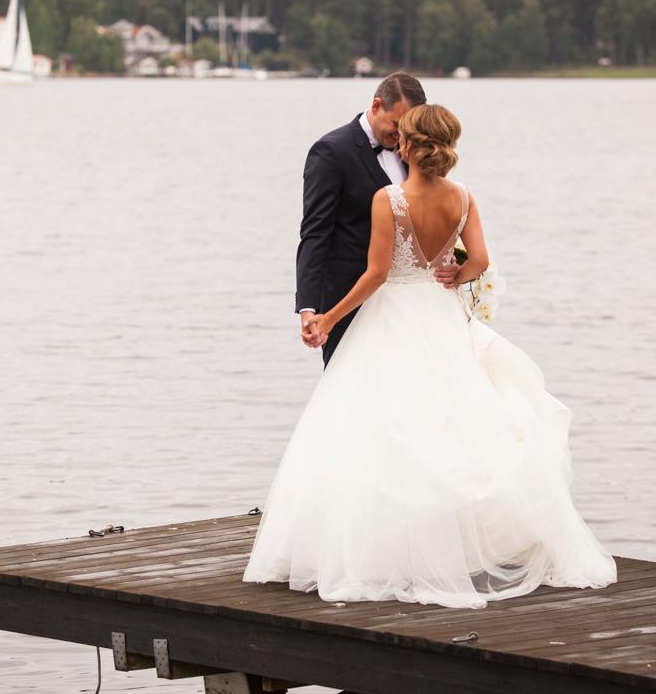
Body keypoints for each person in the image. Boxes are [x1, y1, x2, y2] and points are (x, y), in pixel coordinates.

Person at [243, 104, 617, 608]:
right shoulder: (463, 198)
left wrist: (329, 317)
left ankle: (383, 551)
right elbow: (479, 260)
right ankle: (457, 545)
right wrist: (453, 276)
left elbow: (376, 274)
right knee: (451, 419)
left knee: (381, 426)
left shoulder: (389, 199)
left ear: (408, 145)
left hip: (392, 315)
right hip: (438, 315)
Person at [296, 72, 461, 366]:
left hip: (415, 309)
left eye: (409, 128)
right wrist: (308, 307)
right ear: (375, 106)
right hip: (349, 305)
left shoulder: (416, 151)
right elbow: (315, 233)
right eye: (397, 125)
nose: (402, 137)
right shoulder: (332, 151)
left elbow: (431, 216)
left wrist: (451, 262)